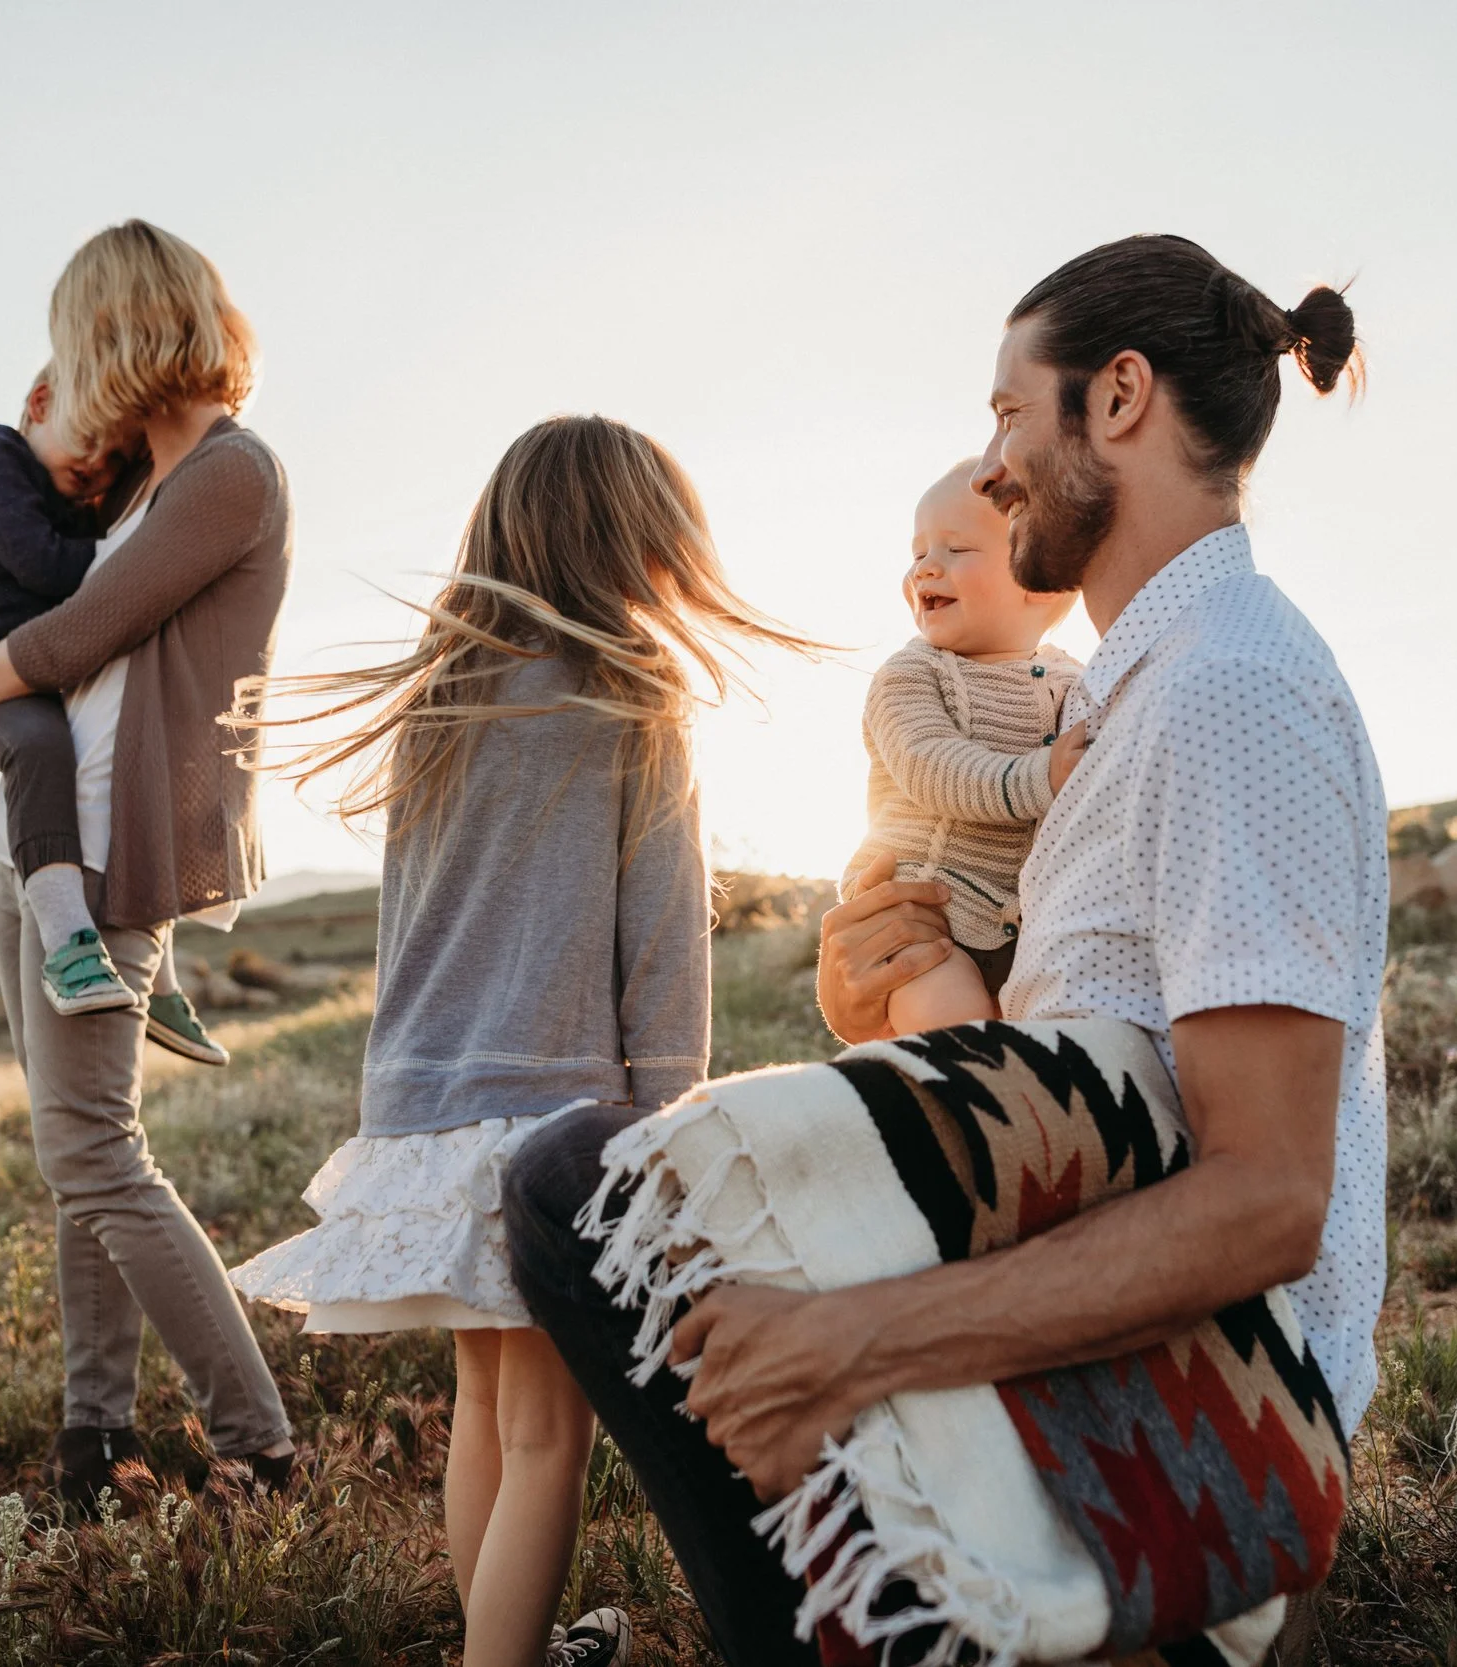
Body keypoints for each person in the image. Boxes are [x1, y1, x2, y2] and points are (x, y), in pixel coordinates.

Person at [504, 233, 1384, 1666]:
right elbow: (1092, 1062)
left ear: (1118, 398)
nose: (990, 467)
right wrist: (888, 1010)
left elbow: (1270, 1196)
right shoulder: (1133, 694)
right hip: (1104, 1310)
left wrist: (855, 1338)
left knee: (576, 1189)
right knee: (613, 1193)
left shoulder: (1227, 690)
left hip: (1198, 1426)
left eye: (1006, 414)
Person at [229, 416, 819, 1667]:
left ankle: (516, 1644)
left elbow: (409, 927)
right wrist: (668, 1133)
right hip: (556, 1121)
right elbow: (663, 947)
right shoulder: (631, 696)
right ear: (632, 540)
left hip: (425, 1111)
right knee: (553, 1433)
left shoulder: (439, 705)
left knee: (487, 1413)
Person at [0, 219, 297, 1506]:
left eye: (76, 345)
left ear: (118, 331)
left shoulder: (232, 474)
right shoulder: (134, 495)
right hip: (39, 845)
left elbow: (76, 638)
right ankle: (94, 1432)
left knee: (96, 1154)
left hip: (119, 853)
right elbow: (66, 684)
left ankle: (260, 1444)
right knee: (75, 1154)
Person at [0, 368, 221, 1060]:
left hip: (41, 672)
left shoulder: (67, 492)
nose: (98, 465)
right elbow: (47, 569)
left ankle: (160, 979)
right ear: (40, 403)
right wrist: (141, 554)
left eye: (117, 458)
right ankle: (70, 948)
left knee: (131, 762)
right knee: (40, 749)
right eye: (90, 437)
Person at [839, 459, 1085, 1033]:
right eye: (918, 552)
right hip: (925, 919)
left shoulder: (1075, 682)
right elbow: (930, 766)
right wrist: (1042, 776)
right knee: (955, 1031)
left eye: (956, 549)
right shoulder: (908, 675)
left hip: (1026, 928)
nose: (925, 567)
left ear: (1042, 583)